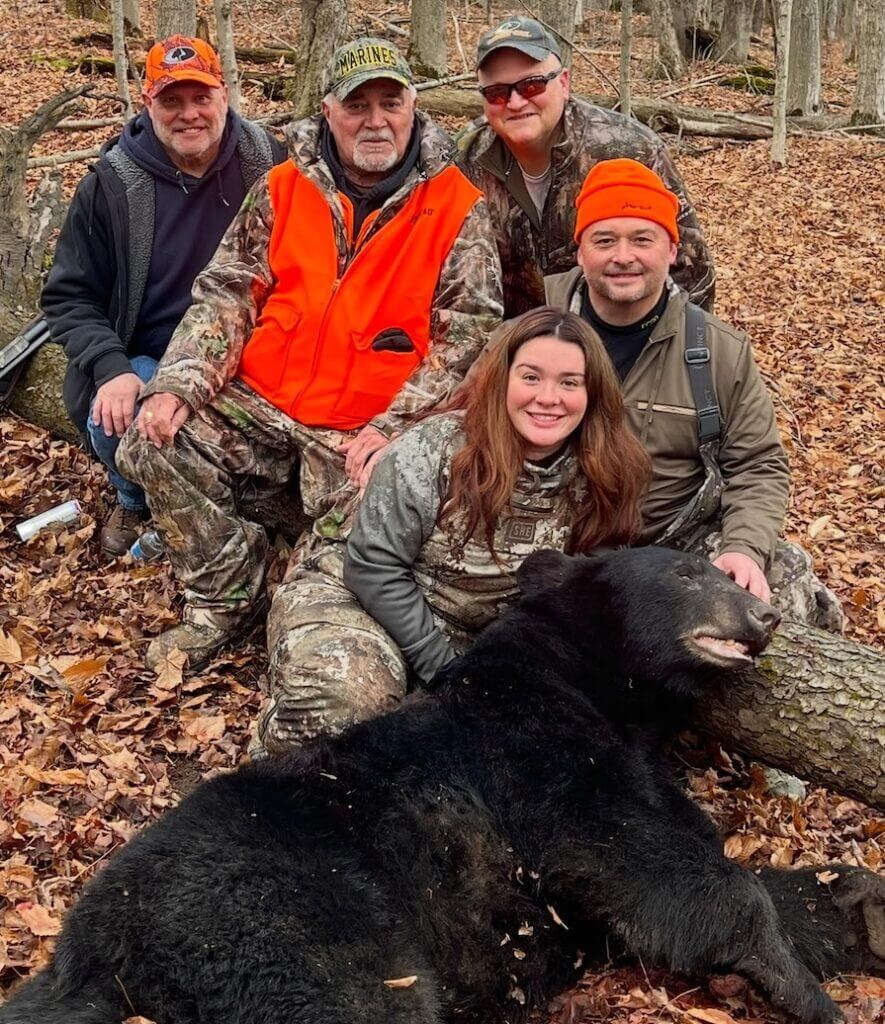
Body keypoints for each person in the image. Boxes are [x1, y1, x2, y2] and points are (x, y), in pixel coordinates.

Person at [117, 37, 503, 672]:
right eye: (357, 105)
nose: (375, 121)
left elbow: (470, 337)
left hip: (362, 433)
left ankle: (297, 599)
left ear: (414, 107)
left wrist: (395, 427)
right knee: (153, 439)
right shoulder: (283, 185)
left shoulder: (458, 206)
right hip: (262, 405)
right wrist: (178, 384)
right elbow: (227, 295)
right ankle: (225, 594)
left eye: (390, 102)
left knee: (371, 542)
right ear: (328, 110)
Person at [253, 308, 649, 754]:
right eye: (531, 377)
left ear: (593, 391)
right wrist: (445, 670)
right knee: (344, 713)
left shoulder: (610, 469)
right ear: (502, 379)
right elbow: (373, 567)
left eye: (569, 382)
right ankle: (274, 744)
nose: (548, 398)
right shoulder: (435, 449)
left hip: (478, 635)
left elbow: (594, 585)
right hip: (355, 597)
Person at [545, 157, 842, 629]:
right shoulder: (529, 327)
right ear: (580, 252)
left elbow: (758, 464)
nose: (623, 256)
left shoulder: (717, 350)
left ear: (673, 250)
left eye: (642, 239)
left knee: (782, 572)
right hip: (553, 544)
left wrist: (742, 549)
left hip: (669, 549)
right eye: (604, 240)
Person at [41, 35, 287, 557]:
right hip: (152, 354)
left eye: (201, 97)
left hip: (259, 349)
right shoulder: (111, 185)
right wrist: (111, 368)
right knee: (122, 412)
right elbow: (68, 296)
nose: (189, 114)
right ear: (146, 104)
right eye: (171, 100)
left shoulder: (270, 162)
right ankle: (134, 498)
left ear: (225, 95)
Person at [455, 15, 715, 320]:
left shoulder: (627, 148)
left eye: (532, 86)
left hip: (616, 343)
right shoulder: (465, 160)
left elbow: (691, 272)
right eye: (497, 92)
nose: (514, 102)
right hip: (513, 348)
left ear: (563, 83)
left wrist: (663, 353)